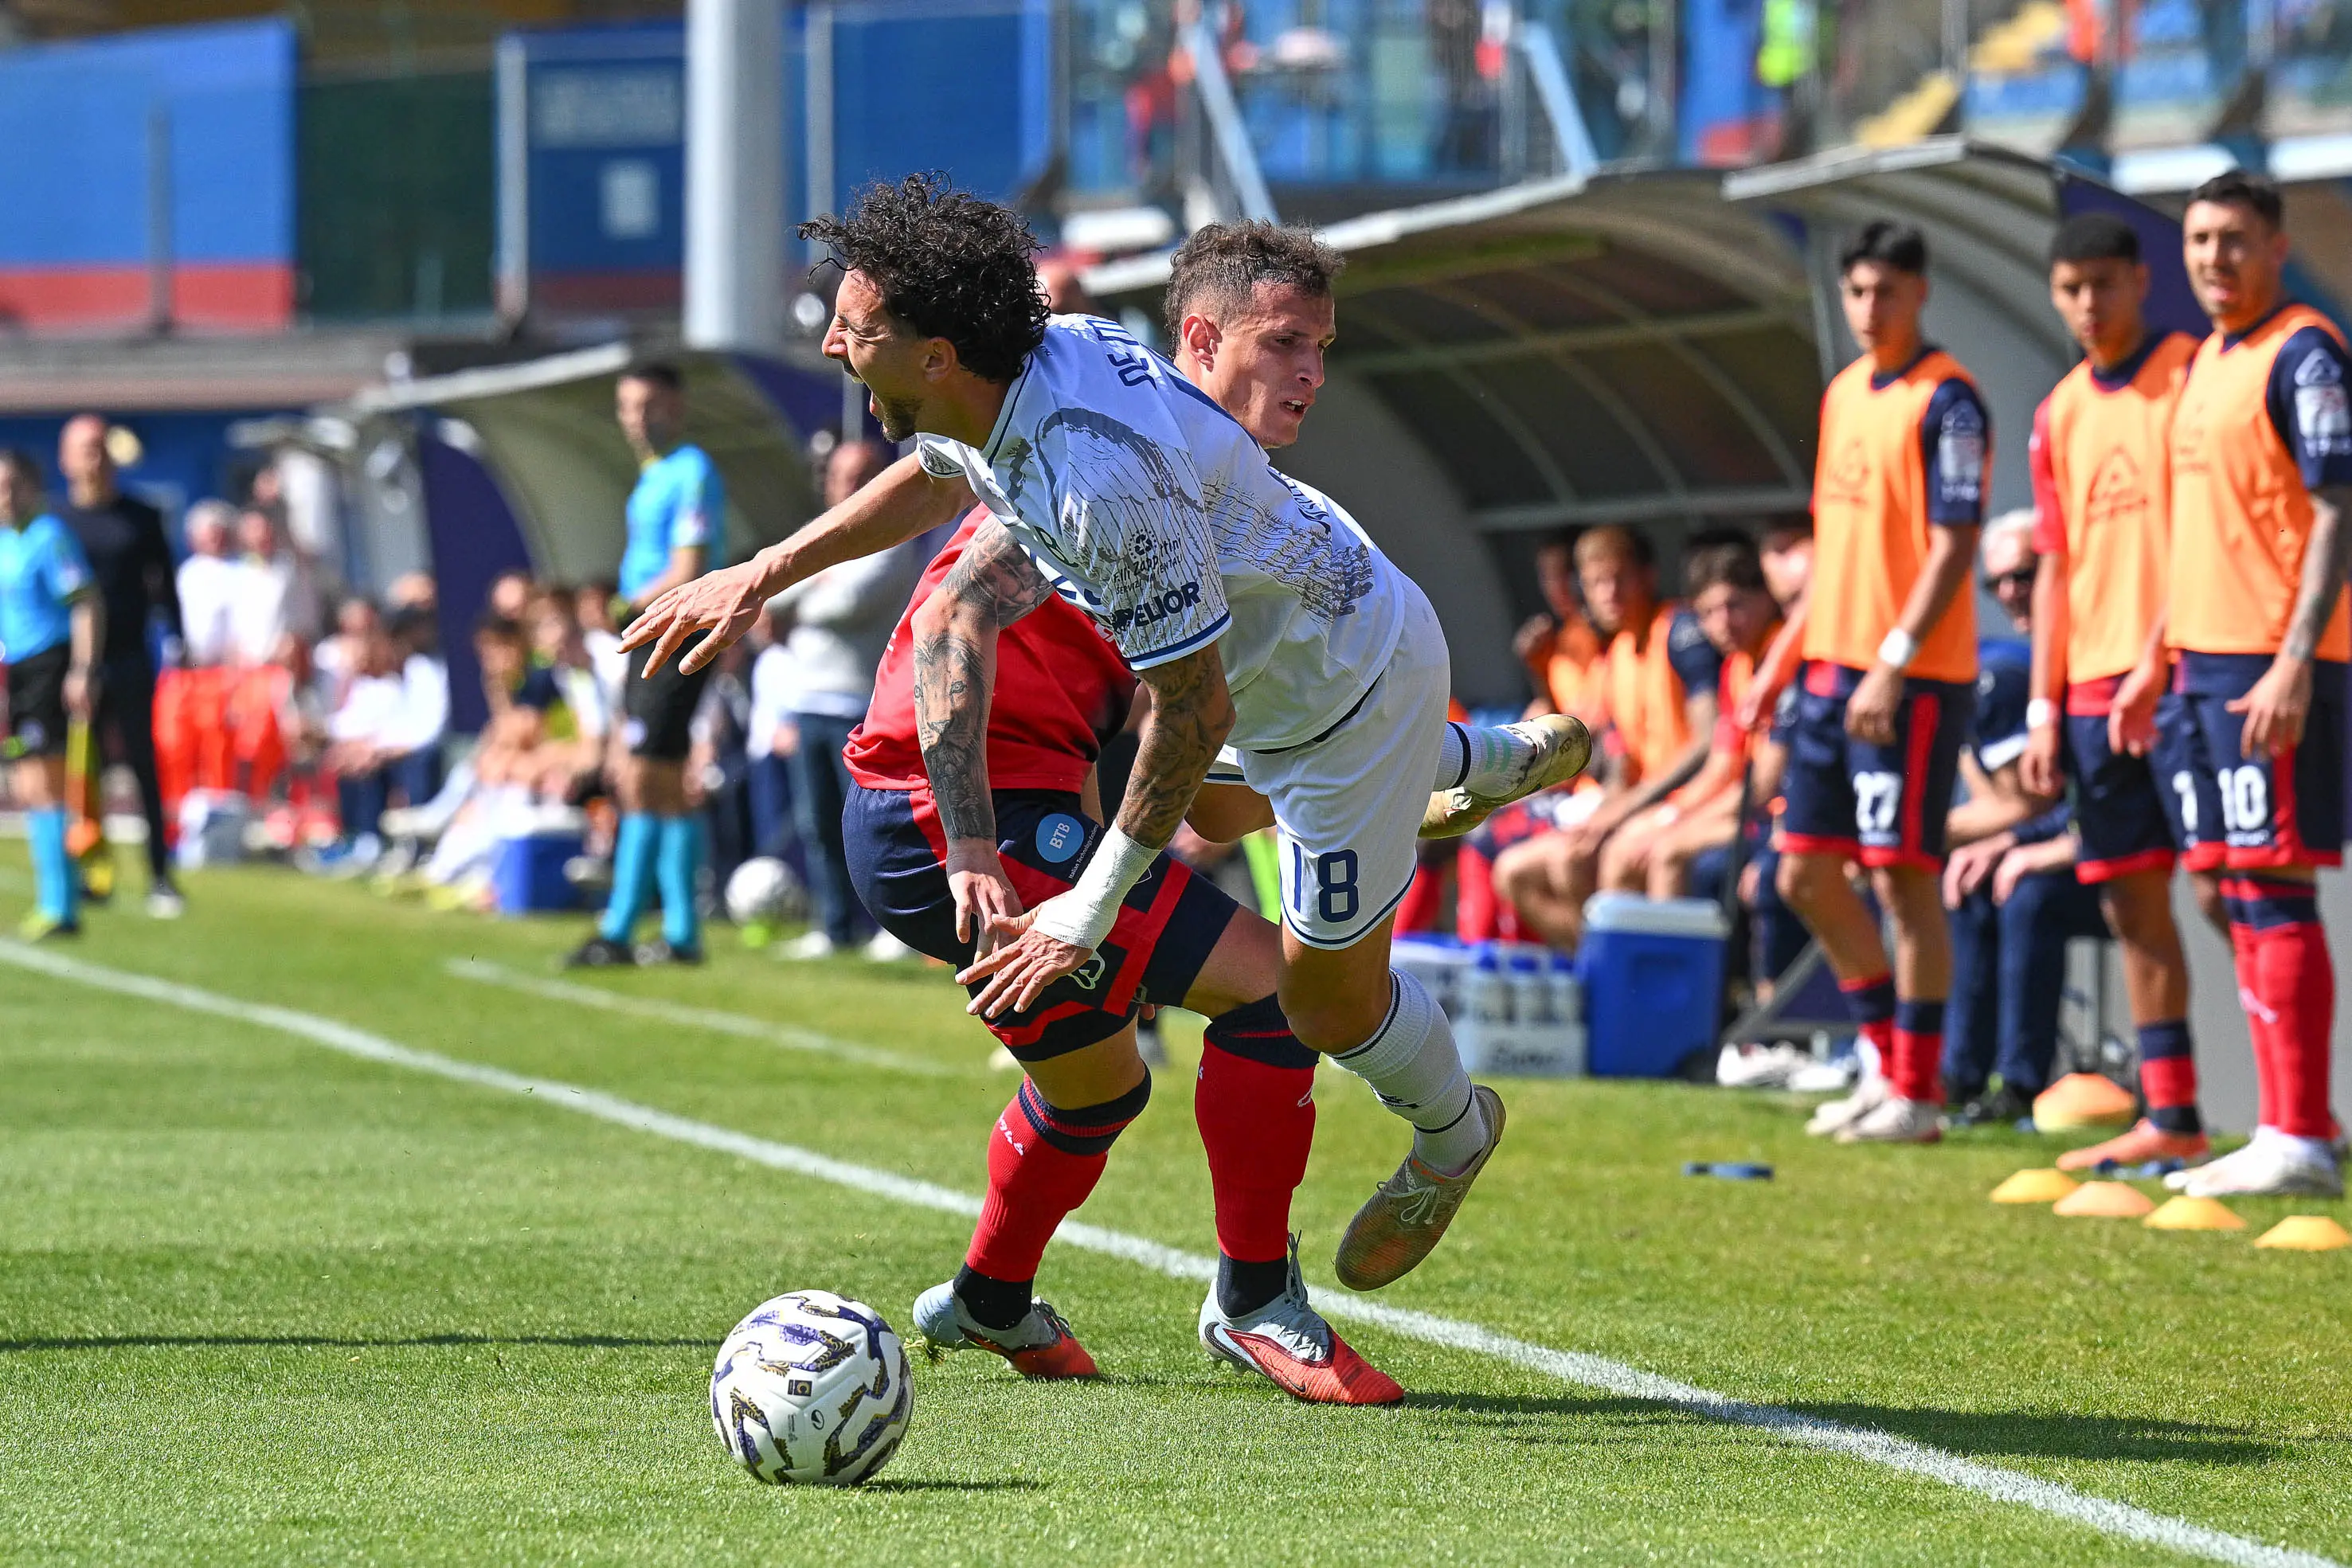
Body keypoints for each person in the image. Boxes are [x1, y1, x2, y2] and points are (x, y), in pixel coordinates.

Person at [623, 178, 1587, 1298]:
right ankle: (1478, 764)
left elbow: (1193, 713)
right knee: (1214, 805)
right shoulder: (1015, 376)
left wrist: (1083, 913)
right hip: (1302, 673)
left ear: (937, 353)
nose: (835, 343)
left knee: (1318, 1003)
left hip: (1352, 699)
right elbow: (934, 483)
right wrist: (761, 572)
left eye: (855, 325)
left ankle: (1455, 1132)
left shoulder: (1098, 481)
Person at [834, 219, 1426, 1403]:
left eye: (1321, 349)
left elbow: (1192, 773)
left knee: (1099, 1088)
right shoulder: (1112, 465)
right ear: (1198, 345)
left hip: (977, 804)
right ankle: (1254, 1302)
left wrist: (1380, 792)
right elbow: (955, 611)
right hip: (947, 808)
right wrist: (981, 846)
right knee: (1272, 997)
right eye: (1283, 344)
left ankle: (989, 1297)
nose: (1309, 374)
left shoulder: (1166, 459)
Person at [2158, 171, 2352, 1199]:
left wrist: (2293, 657)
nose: (2213, 258)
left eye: (2233, 239)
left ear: (2277, 247)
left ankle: (2299, 1137)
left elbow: (2336, 508)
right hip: (2198, 662)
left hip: (2266, 661)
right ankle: (2290, 1121)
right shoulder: (2204, 360)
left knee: (2273, 881)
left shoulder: (2304, 353)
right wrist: (2156, 654)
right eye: (2198, 240)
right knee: (2223, 883)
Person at [2018, 210, 2221, 1168]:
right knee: (2130, 906)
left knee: (2228, 892)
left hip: (2187, 673)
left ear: (2141, 281)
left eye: (2103, 283)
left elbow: (2204, 532)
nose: (2088, 303)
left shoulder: (2190, 375)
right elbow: (2054, 566)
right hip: (2092, 695)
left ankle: (2296, 1114)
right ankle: (2172, 1116)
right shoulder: (2057, 411)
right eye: (2071, 289)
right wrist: (2043, 704)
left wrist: (2154, 655)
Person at [1780, 221, 1988, 1145]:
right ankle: (1884, 1061)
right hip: (1830, 671)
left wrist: (1893, 662)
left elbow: (1954, 544)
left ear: (1920, 293)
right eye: (1857, 292)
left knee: (1903, 881)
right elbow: (1835, 547)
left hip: (1910, 680)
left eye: (1887, 292)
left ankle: (1918, 1090)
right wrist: (1786, 658)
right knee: (1802, 874)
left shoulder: (1950, 401)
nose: (1870, 309)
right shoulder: (1842, 393)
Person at [1941, 514, 2105, 1120]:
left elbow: (2079, 802)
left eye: (2024, 576)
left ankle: (2019, 1085)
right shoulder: (2020, 665)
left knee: (2027, 893)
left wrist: (2025, 842)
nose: (2010, 593)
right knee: (1971, 878)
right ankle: (1957, 1077)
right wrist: (2010, 839)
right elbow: (2037, 809)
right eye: (1997, 582)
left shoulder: (2087, 654)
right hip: (2072, 839)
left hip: (2127, 853)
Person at [1488, 524, 1720, 948]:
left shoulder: (1679, 630)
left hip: (1689, 800)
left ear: (1647, 576)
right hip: (1643, 802)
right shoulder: (1615, 654)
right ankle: (1601, 966)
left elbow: (1707, 740)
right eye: (1596, 583)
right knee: (1512, 872)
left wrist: (1624, 809)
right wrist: (1604, 814)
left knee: (1575, 862)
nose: (1609, 593)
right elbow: (1619, 761)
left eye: (1619, 578)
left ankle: (1628, 972)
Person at [568, 364, 726, 968]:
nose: (637, 418)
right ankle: (677, 932)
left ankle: (624, 926)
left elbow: (687, 567)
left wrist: (624, 604)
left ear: (676, 407)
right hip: (651, 632)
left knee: (644, 777)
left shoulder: (691, 470)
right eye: (628, 406)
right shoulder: (652, 476)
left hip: (675, 630)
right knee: (655, 781)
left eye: (649, 405)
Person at [766, 439, 927, 960]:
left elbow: (847, 603)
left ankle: (895, 929)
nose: (848, 486)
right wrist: (817, 579)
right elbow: (776, 591)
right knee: (818, 823)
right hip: (809, 702)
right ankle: (833, 926)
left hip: (862, 703)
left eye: (861, 476)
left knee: (875, 826)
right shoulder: (824, 537)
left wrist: (812, 584)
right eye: (839, 475)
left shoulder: (892, 538)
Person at [56, 413, 183, 917]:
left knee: (142, 764)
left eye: (102, 447)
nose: (97, 458)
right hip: (70, 663)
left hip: (129, 657)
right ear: (66, 459)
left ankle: (160, 874)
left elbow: (164, 584)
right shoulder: (56, 521)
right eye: (86, 448)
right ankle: (94, 872)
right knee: (85, 771)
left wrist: (179, 641)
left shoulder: (141, 516)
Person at [1628, 532, 1787, 901]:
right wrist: (1671, 816)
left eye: (1734, 605)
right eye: (1708, 613)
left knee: (1667, 852)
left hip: (1783, 817)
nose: (1723, 623)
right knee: (1632, 843)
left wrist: (1681, 827)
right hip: (1752, 811)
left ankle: (1667, 944)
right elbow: (1721, 767)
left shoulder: (1782, 659)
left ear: (1766, 598)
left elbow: (1764, 786)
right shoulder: (1735, 668)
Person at [0, 449, 102, 939]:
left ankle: (61, 905)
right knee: (25, 784)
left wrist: (82, 669)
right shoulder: (5, 542)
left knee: (46, 782)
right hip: (17, 672)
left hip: (49, 665)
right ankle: (61, 895)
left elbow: (85, 602)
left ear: (31, 487)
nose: (4, 496)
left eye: (11, 485)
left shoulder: (50, 537)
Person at [174, 502, 239, 669]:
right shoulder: (187, 573)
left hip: (234, 661)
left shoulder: (240, 569)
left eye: (217, 533)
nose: (212, 539)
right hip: (196, 661)